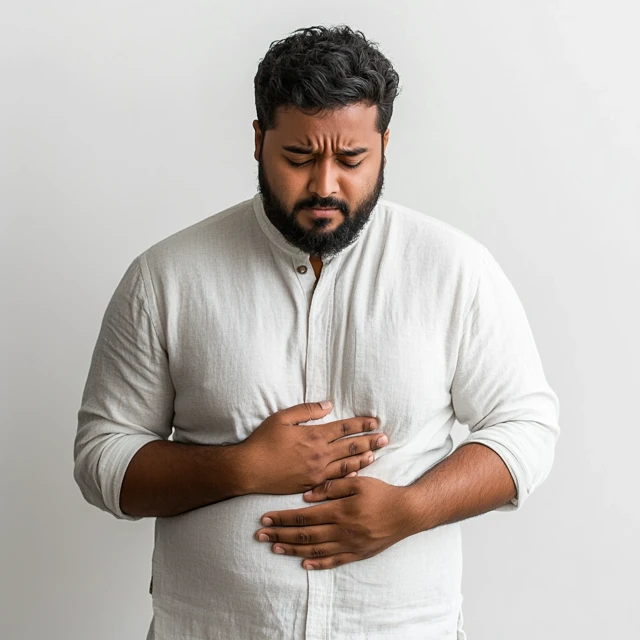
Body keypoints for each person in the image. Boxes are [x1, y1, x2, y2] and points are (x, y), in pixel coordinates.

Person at [74, 24, 560, 640]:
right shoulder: (166, 277)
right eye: (299, 158)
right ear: (259, 141)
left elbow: (526, 427)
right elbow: (102, 457)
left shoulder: (455, 270)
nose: (325, 185)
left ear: (385, 145)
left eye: (351, 159)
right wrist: (241, 468)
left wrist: (411, 510)